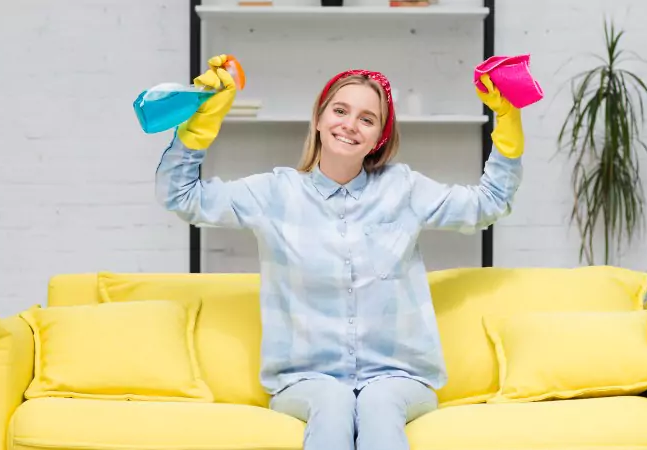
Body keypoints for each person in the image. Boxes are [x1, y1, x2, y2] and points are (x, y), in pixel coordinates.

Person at [155, 55, 524, 450]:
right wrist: (198, 129)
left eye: (367, 119)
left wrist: (508, 123)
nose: (350, 124)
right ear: (319, 118)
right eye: (341, 110)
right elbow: (181, 196)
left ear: (379, 136)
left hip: (398, 376)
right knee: (332, 403)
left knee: (378, 405)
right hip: (305, 379)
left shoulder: (403, 189)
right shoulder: (274, 193)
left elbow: (490, 203)